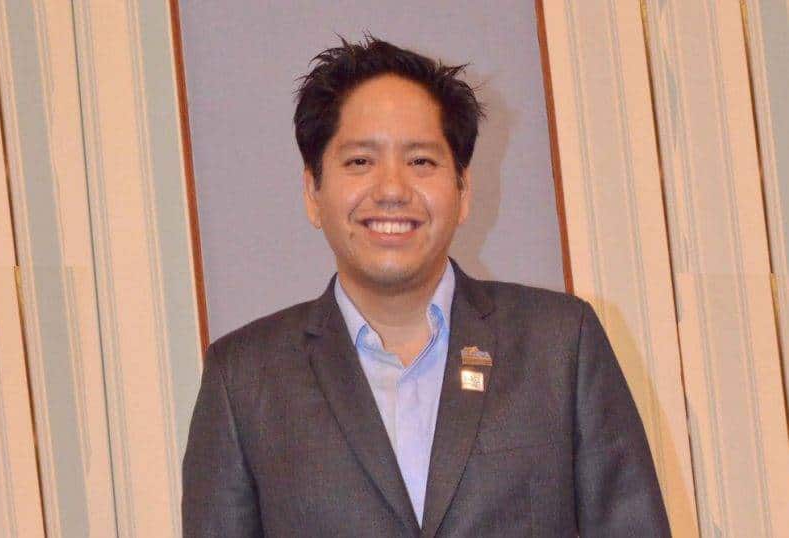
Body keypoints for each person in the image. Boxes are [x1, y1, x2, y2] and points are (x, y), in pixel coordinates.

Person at [182, 36, 670, 537]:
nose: (392, 189)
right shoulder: (243, 379)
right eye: (360, 161)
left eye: (421, 161)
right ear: (313, 191)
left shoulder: (561, 343)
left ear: (463, 190)